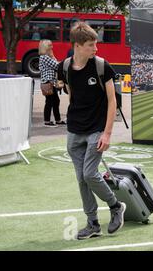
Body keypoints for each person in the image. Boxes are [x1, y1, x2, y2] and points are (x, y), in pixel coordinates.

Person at [57, 22, 126, 240]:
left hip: (97, 129)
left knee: (89, 173)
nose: (95, 49)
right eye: (90, 45)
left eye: (95, 44)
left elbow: (112, 100)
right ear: (77, 46)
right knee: (81, 179)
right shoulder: (64, 67)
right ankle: (93, 224)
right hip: (74, 130)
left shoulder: (102, 66)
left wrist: (107, 133)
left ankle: (116, 206)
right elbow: (71, 94)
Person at [38, 40, 66, 127]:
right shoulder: (44, 57)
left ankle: (58, 120)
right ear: (45, 47)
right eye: (50, 45)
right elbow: (56, 66)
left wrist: (52, 56)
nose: (52, 47)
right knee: (50, 102)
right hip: (48, 82)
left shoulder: (47, 57)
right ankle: (47, 121)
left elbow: (55, 64)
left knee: (55, 101)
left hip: (50, 82)